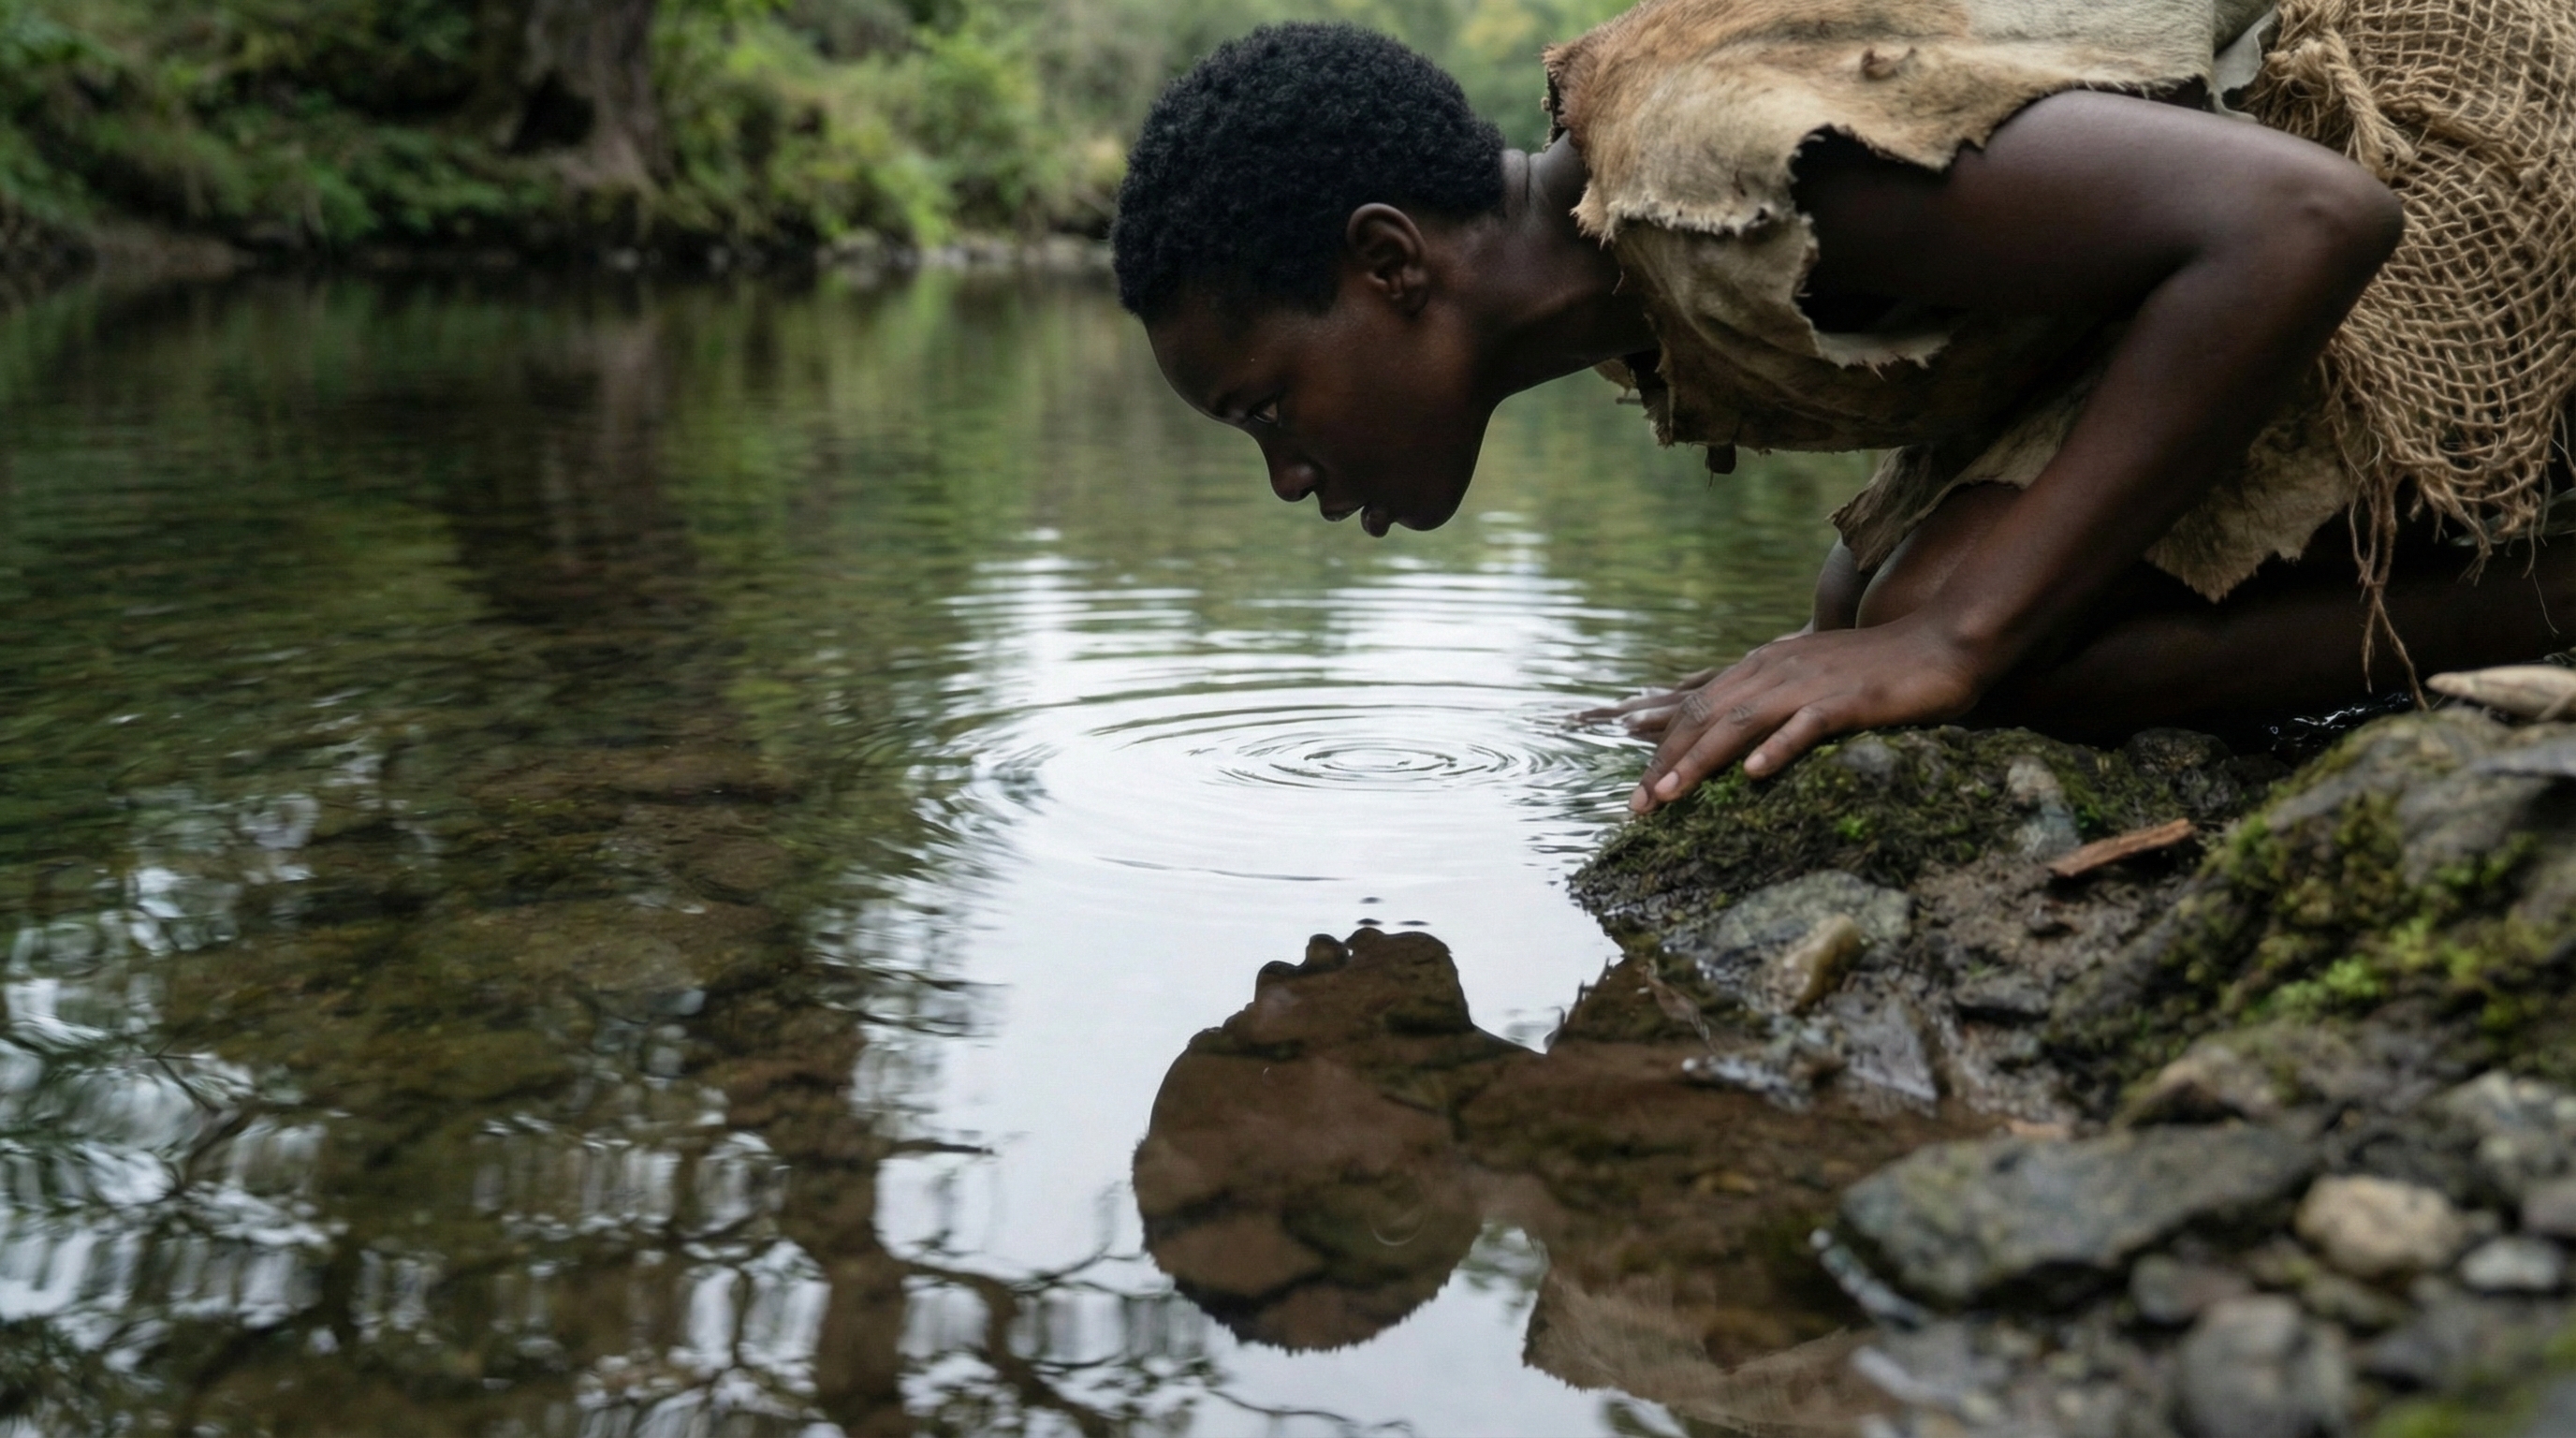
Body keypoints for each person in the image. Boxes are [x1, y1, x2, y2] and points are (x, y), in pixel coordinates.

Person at [1108, 2, 2576, 813]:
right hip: (2285, 221)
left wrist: (1958, 636)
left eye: (1268, 410)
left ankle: (2547, 605)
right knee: (1854, 607)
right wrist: (1886, 628)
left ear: (1388, 264)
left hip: (2475, 171)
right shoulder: (1627, 252)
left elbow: (2304, 219)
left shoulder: (1718, 159)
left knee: (1985, 647)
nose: (1289, 475)